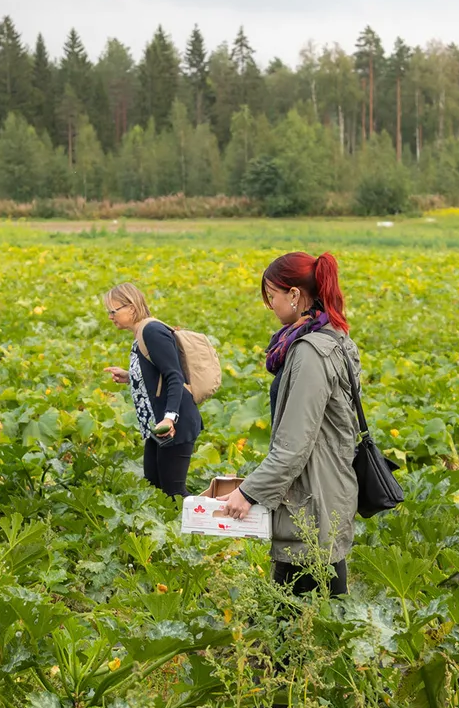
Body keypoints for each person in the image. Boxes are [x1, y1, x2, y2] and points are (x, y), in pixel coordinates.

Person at [215, 252, 359, 597]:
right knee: (324, 612)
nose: (271, 305)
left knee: (294, 624)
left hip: (312, 501)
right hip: (323, 490)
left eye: (272, 295)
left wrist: (249, 492)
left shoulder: (310, 352)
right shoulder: (331, 335)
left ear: (293, 294)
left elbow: (295, 444)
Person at [102, 283, 203, 497]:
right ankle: (171, 529)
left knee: (173, 492)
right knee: (154, 488)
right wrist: (130, 377)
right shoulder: (142, 333)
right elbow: (158, 375)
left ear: (131, 307)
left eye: (113, 311)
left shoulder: (152, 331)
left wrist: (169, 419)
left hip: (174, 422)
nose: (110, 316)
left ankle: (203, 527)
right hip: (156, 424)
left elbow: (175, 376)